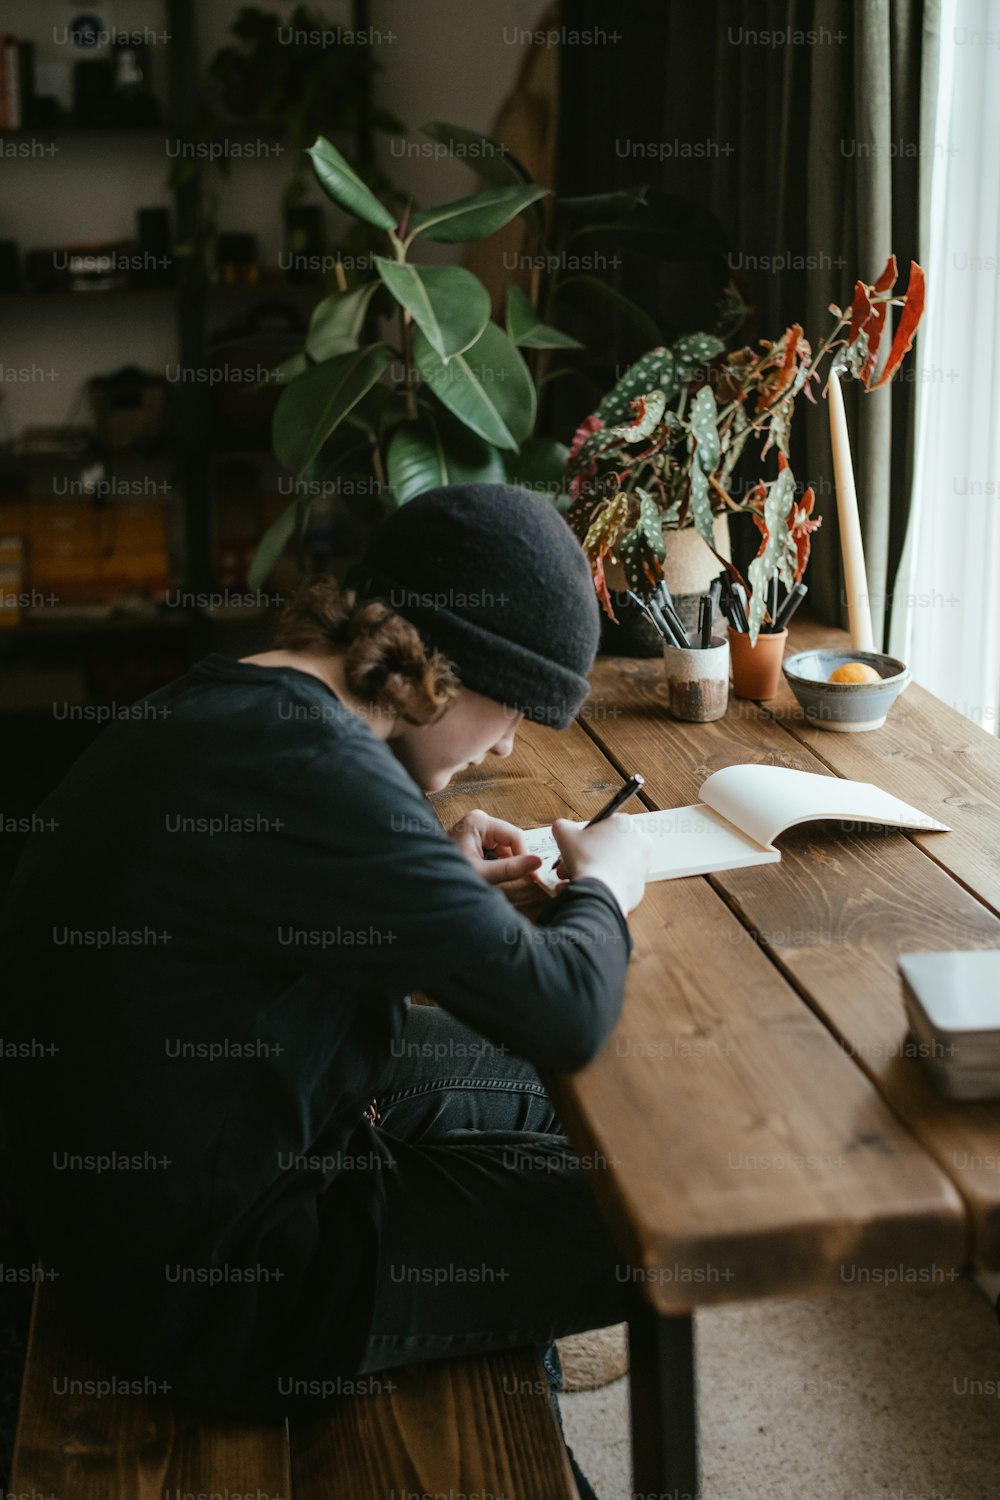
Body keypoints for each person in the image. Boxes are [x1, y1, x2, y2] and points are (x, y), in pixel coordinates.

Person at [0, 483, 651, 1448]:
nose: (508, 743)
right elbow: (566, 1010)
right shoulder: (316, 767)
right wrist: (609, 881)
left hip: (171, 1165)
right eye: (511, 709)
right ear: (438, 668)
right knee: (648, 1224)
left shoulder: (250, 695)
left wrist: (427, 863)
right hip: (225, 1285)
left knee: (604, 1121)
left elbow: (274, 886)